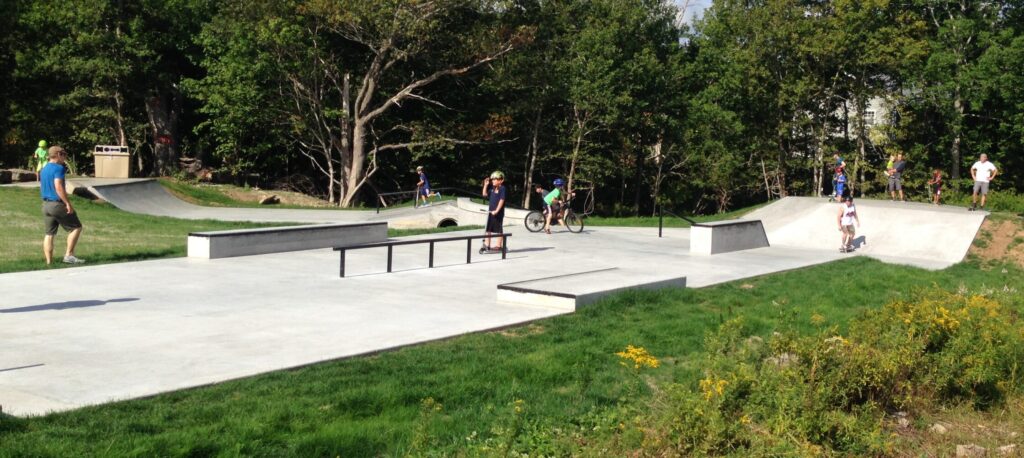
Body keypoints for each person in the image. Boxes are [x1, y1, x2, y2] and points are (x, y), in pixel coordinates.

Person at [39, 145, 85, 264]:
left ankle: (49, 263)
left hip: (46, 205)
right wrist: (67, 203)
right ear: (58, 154)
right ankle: (69, 256)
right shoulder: (58, 168)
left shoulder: (44, 169)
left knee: (49, 234)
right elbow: (58, 186)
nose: (65, 156)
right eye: (64, 154)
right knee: (76, 227)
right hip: (57, 204)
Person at [481, 171, 506, 252]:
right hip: (490, 212)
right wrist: (485, 185)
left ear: (501, 180)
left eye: (495, 179)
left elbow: (501, 200)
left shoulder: (502, 188)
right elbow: (484, 194)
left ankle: (499, 246)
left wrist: (497, 210)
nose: (493, 181)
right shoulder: (492, 189)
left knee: (499, 229)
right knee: (488, 228)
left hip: (498, 213)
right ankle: (487, 244)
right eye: (493, 180)